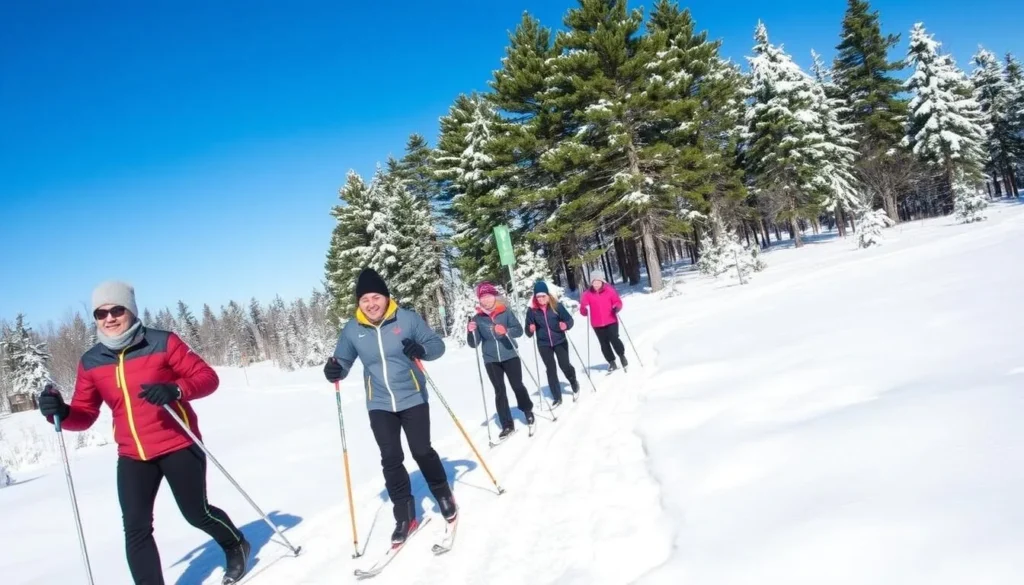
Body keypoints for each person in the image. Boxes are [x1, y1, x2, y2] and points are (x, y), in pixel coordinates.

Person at [37, 281, 250, 585]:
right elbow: (84, 415)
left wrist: (175, 389)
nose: (109, 318)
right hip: (133, 454)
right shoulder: (91, 361)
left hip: (178, 443)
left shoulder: (162, 343)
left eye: (116, 309)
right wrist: (59, 412)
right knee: (136, 530)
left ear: (131, 310)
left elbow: (208, 378)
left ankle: (235, 544)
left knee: (196, 513)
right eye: (101, 313)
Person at [322, 268, 456, 545]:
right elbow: (342, 361)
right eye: (364, 300)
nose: (371, 304)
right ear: (358, 303)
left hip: (413, 396)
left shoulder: (406, 319)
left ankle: (443, 494)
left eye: (376, 297)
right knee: (391, 458)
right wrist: (334, 370)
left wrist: (421, 350)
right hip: (379, 402)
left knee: (422, 451)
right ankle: (404, 515)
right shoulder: (352, 329)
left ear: (386, 297)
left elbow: (436, 346)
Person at [466, 282, 535, 439]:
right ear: (479, 300)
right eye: (483, 298)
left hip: (510, 354)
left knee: (517, 385)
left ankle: (527, 411)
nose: (487, 301)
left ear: (495, 297)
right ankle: (507, 424)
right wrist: (470, 331)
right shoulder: (477, 318)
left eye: (489, 297)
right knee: (500, 391)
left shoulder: (505, 312)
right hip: (491, 360)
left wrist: (506, 331)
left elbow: (517, 330)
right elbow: (473, 343)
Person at [523, 281, 579, 405]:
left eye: (543, 296)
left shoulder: (557, 306)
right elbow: (527, 331)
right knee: (551, 369)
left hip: (559, 340)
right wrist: (530, 329)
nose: (541, 299)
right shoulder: (532, 311)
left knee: (564, 365)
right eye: (538, 296)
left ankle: (573, 381)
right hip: (543, 344)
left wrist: (565, 325)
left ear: (548, 295)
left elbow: (569, 321)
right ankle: (557, 396)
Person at [579, 271, 628, 372]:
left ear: (602, 281)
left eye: (598, 281)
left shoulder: (609, 290)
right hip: (597, 324)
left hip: (611, 320)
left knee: (614, 339)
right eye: (594, 282)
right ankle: (612, 362)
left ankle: (622, 356)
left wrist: (616, 307)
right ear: (591, 282)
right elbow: (583, 310)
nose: (596, 284)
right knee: (604, 343)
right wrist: (584, 309)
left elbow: (618, 302)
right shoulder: (587, 294)